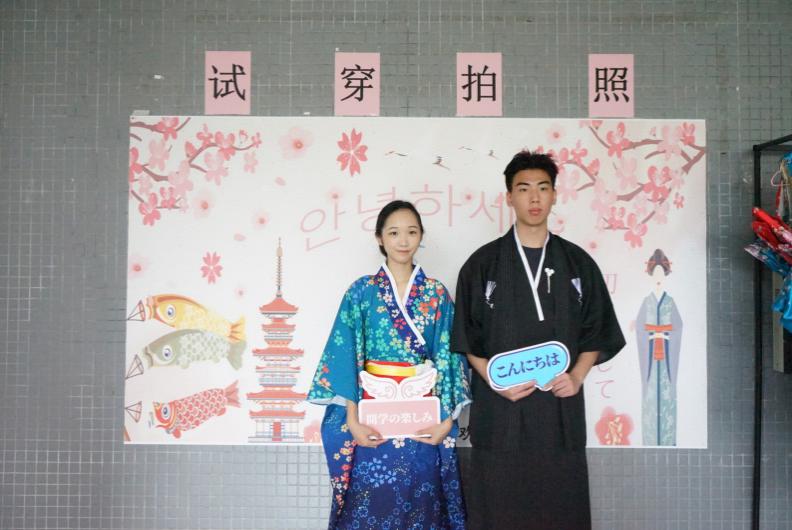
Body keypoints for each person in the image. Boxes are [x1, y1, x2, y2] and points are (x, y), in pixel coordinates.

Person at [451, 151, 626, 530]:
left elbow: (597, 329)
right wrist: (495, 381)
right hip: (500, 411)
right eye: (524, 188)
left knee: (559, 505)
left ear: (555, 195)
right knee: (498, 506)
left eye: (543, 188)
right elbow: (466, 337)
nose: (534, 198)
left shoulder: (577, 263)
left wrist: (577, 376)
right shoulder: (482, 264)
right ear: (509, 197)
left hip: (558, 411)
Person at [308, 200, 471, 530]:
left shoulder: (436, 294)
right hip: (373, 419)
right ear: (380, 237)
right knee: (370, 500)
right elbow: (346, 355)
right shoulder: (361, 292)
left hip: (421, 417)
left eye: (412, 232)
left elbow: (450, 357)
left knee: (423, 501)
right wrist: (352, 419)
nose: (403, 240)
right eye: (394, 233)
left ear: (421, 236)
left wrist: (446, 422)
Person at [636, 248, 683, 447]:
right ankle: (649, 439)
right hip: (650, 359)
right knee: (649, 393)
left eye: (661, 275)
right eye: (654, 275)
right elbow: (640, 328)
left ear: (665, 276)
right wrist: (652, 335)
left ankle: (668, 439)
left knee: (667, 393)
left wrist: (665, 335)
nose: (658, 279)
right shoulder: (646, 302)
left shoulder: (670, 303)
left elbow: (678, 327)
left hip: (666, 361)